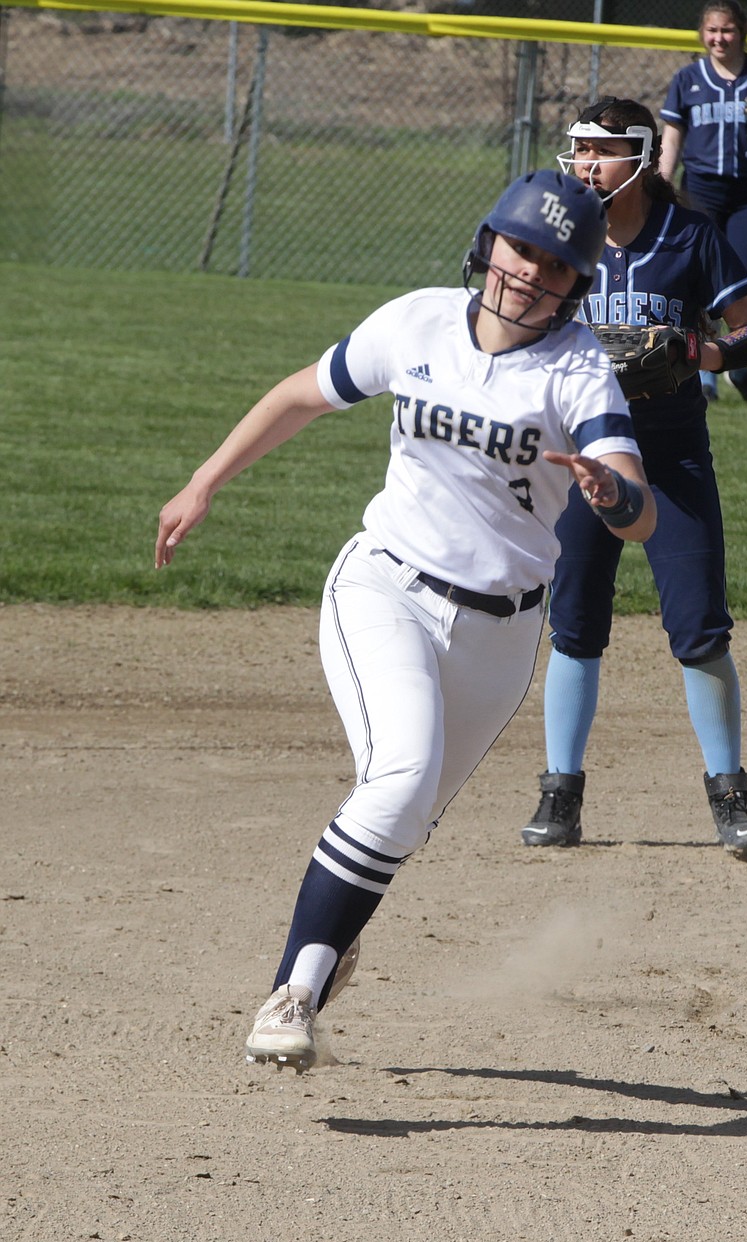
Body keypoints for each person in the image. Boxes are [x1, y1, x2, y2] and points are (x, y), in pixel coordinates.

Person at [154, 169, 656, 1073]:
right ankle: (293, 993)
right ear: (488, 244)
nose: (531, 272)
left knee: (405, 814)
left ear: (579, 283)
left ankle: (331, 937)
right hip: (384, 587)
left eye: (555, 264)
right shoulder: (418, 321)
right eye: (520, 248)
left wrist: (611, 489)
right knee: (399, 776)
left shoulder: (577, 365)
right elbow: (304, 394)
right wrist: (204, 481)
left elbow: (638, 508)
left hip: (502, 636)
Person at [518, 97, 747, 859]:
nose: (586, 164)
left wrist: (703, 355)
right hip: (582, 457)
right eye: (579, 150)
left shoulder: (690, 235)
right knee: (574, 626)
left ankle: (730, 796)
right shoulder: (565, 240)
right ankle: (559, 795)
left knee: (699, 631)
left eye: (600, 150)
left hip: (671, 454)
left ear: (636, 158)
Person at [659, 0, 747, 404]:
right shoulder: (688, 79)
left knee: (746, 283)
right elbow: (672, 137)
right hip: (700, 189)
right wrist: (662, 186)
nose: (720, 38)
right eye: (712, 30)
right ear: (703, 34)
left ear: (742, 32)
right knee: (698, 284)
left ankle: (740, 361)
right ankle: (706, 376)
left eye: (728, 30)